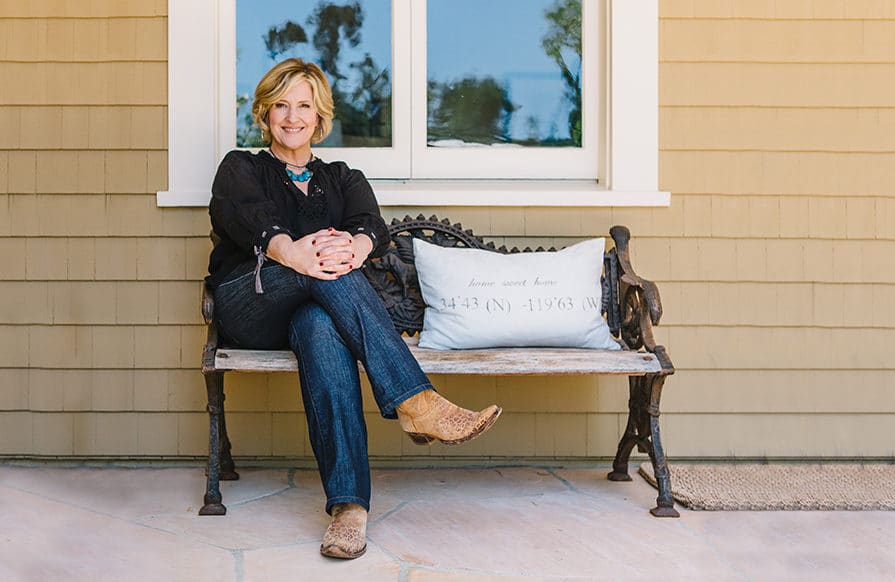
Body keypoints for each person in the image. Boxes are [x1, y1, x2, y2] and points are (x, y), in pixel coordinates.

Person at [206, 58, 502, 560]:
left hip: (310, 312)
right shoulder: (242, 168)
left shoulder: (343, 177)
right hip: (250, 303)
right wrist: (296, 251)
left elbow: (371, 226)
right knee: (324, 260)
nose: (292, 116)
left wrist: (356, 246)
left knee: (322, 323)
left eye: (304, 105)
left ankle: (349, 511)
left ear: (320, 116)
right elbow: (250, 219)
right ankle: (417, 402)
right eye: (280, 105)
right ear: (264, 113)